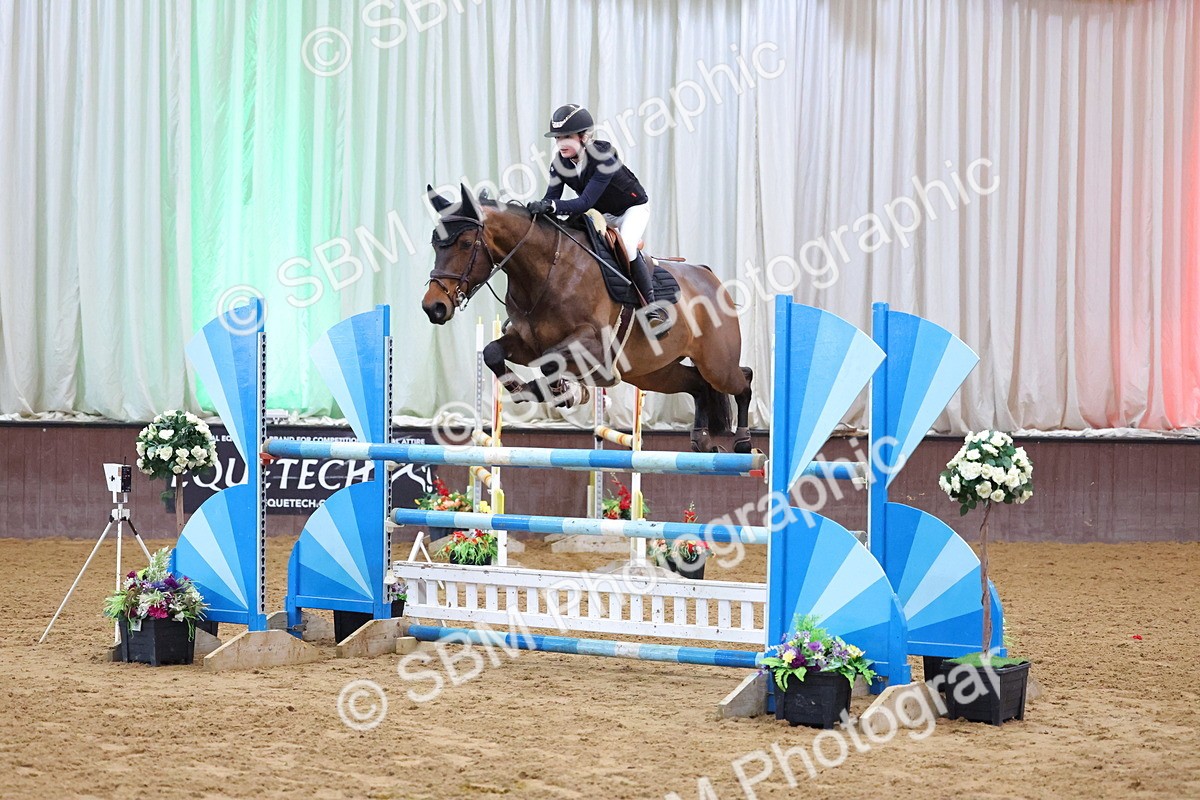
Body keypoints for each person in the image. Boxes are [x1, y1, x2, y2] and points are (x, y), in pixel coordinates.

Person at [526, 104, 667, 328]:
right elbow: (551, 197)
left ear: (584, 137)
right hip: (602, 214)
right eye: (557, 138)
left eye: (567, 137)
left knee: (628, 245)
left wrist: (551, 205)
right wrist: (536, 212)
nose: (561, 144)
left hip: (632, 209)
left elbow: (584, 202)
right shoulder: (560, 163)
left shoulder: (603, 158)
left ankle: (652, 307)